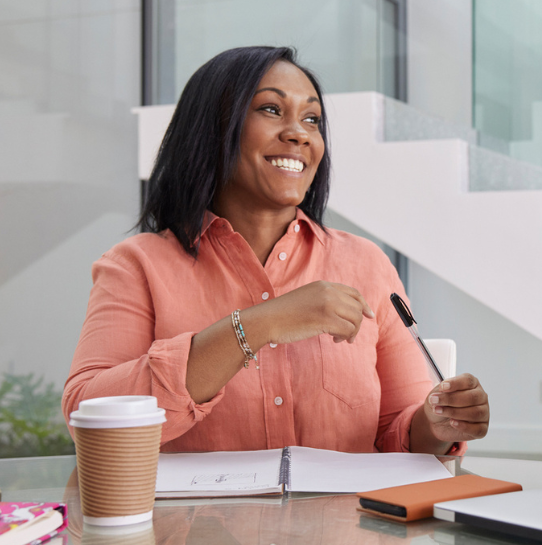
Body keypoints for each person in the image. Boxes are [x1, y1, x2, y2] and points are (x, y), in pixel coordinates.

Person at [62, 46, 489, 455]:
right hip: (193, 530)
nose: (299, 134)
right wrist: (262, 323)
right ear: (212, 126)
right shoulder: (135, 265)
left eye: (312, 119)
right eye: (271, 109)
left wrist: (437, 426)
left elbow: (399, 432)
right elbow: (87, 415)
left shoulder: (366, 264)